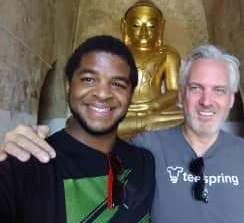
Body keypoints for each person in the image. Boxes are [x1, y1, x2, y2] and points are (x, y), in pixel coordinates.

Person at [0, 45, 244, 223]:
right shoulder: (146, 150)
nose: (207, 101)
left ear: (231, 99)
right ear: (181, 95)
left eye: (219, 91)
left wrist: (154, 104)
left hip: (155, 109)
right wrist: (21, 143)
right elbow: (94, 149)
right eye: (195, 88)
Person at [0, 35, 155, 223]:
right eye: (89, 79)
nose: (103, 94)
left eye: (117, 84)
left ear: (130, 96)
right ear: (68, 86)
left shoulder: (144, 163)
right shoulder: (26, 163)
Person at [118, 0, 183, 139]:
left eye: (152, 26)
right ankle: (145, 125)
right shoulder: (117, 53)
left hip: (157, 111)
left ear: (161, 27)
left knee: (185, 119)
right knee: (80, 122)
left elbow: (174, 91)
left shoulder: (169, 54)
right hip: (124, 112)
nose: (144, 32)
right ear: (125, 26)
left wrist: (153, 105)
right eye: (136, 25)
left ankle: (142, 125)